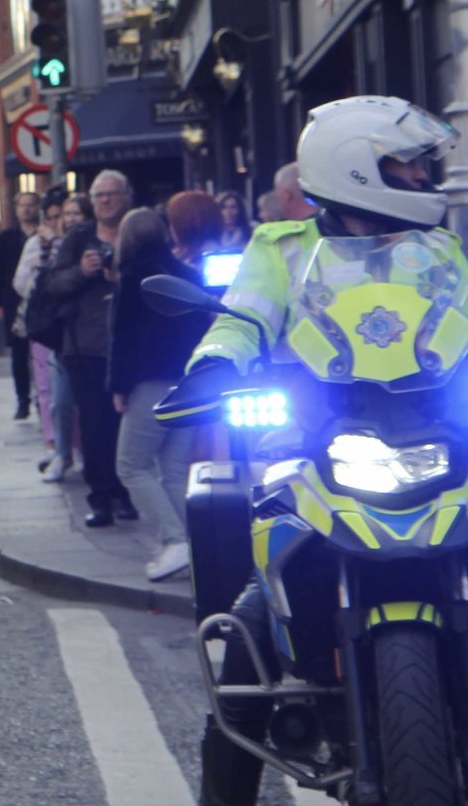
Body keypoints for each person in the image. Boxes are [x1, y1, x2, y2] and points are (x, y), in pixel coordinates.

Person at [173, 96, 461, 805]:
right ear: (358, 166)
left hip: (437, 433)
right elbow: (241, 318)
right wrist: (215, 365)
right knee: (244, 632)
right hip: (316, 441)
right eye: (408, 166)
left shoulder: (445, 251)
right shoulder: (282, 249)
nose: (426, 179)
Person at [108, 195, 216, 582]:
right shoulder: (187, 273)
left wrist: (118, 386)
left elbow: (123, 337)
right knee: (172, 468)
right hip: (188, 381)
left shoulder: (133, 277)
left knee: (131, 465)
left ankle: (174, 542)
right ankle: (200, 547)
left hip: (150, 383)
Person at [43, 171, 136, 526]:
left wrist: (122, 277)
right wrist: (82, 271)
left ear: (125, 197)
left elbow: (157, 273)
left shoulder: (137, 228)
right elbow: (53, 284)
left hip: (128, 345)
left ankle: (126, 494)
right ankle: (101, 498)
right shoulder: (78, 237)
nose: (105, 201)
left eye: (112, 194)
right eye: (99, 196)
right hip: (85, 348)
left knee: (126, 425)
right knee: (95, 426)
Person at [14, 191, 83, 481]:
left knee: (84, 399)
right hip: (51, 328)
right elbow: (21, 284)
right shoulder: (39, 245)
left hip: (85, 331)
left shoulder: (83, 244)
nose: (63, 221)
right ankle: (58, 448)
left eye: (68, 214)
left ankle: (81, 451)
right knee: (53, 394)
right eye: (57, 216)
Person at [0, 191, 39, 421]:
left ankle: (41, 398)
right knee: (18, 353)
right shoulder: (6, 237)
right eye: (23, 205)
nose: (27, 209)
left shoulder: (43, 234)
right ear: (16, 208)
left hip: (40, 301)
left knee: (40, 353)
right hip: (13, 302)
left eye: (31, 205)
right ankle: (23, 400)